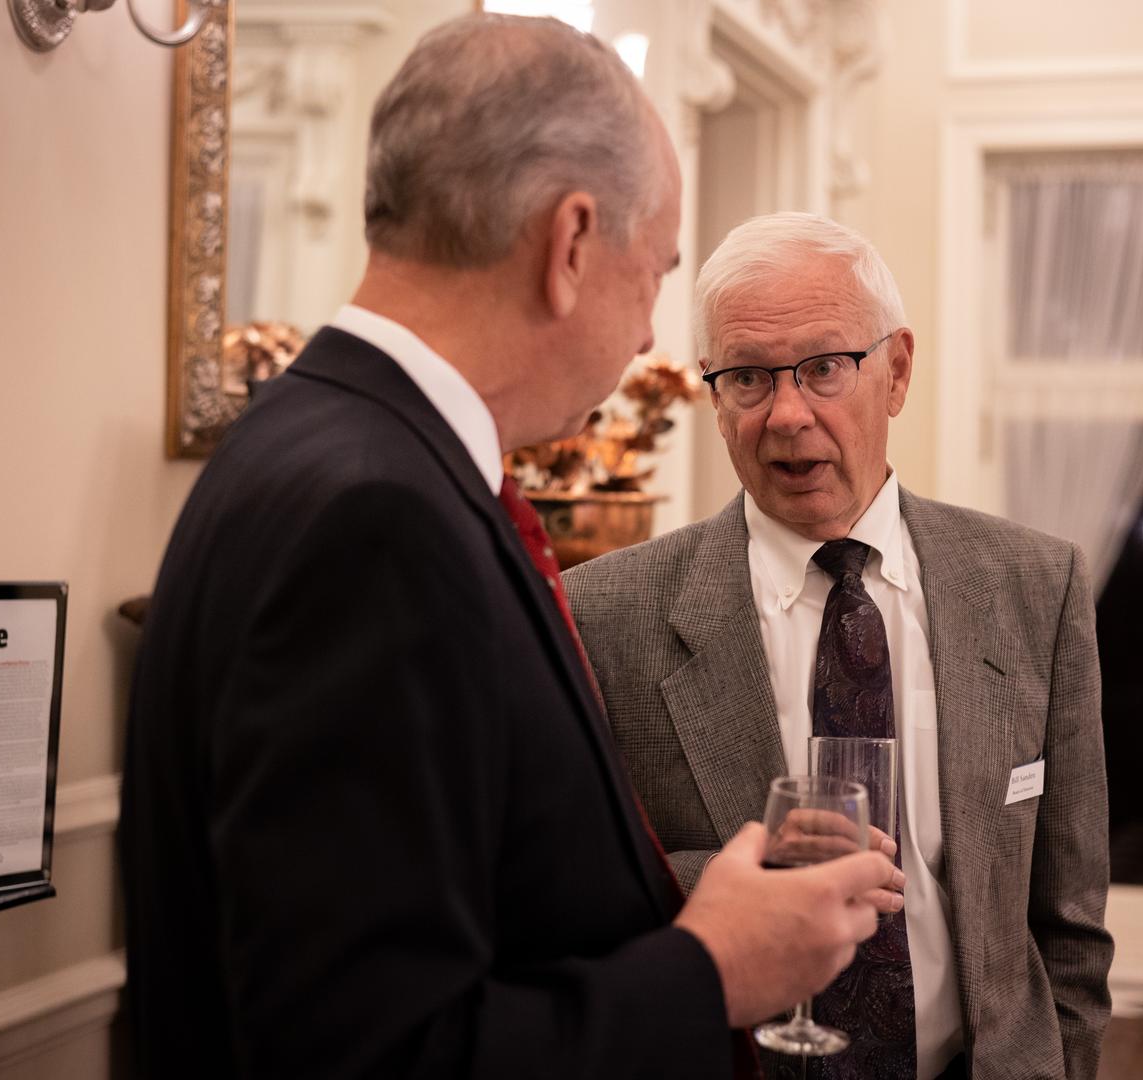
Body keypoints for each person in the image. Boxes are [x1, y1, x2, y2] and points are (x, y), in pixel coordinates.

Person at [120, 17, 896, 1080]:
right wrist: (711, 970)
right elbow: (367, 1054)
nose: (648, 338)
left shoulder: (311, 441)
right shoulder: (376, 521)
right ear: (570, 244)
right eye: (655, 273)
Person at [565, 212, 1114, 1079]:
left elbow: (1070, 925)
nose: (788, 415)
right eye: (748, 377)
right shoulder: (603, 614)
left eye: (825, 367)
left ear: (896, 371)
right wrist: (739, 879)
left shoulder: (1034, 586)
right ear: (715, 399)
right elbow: (569, 899)